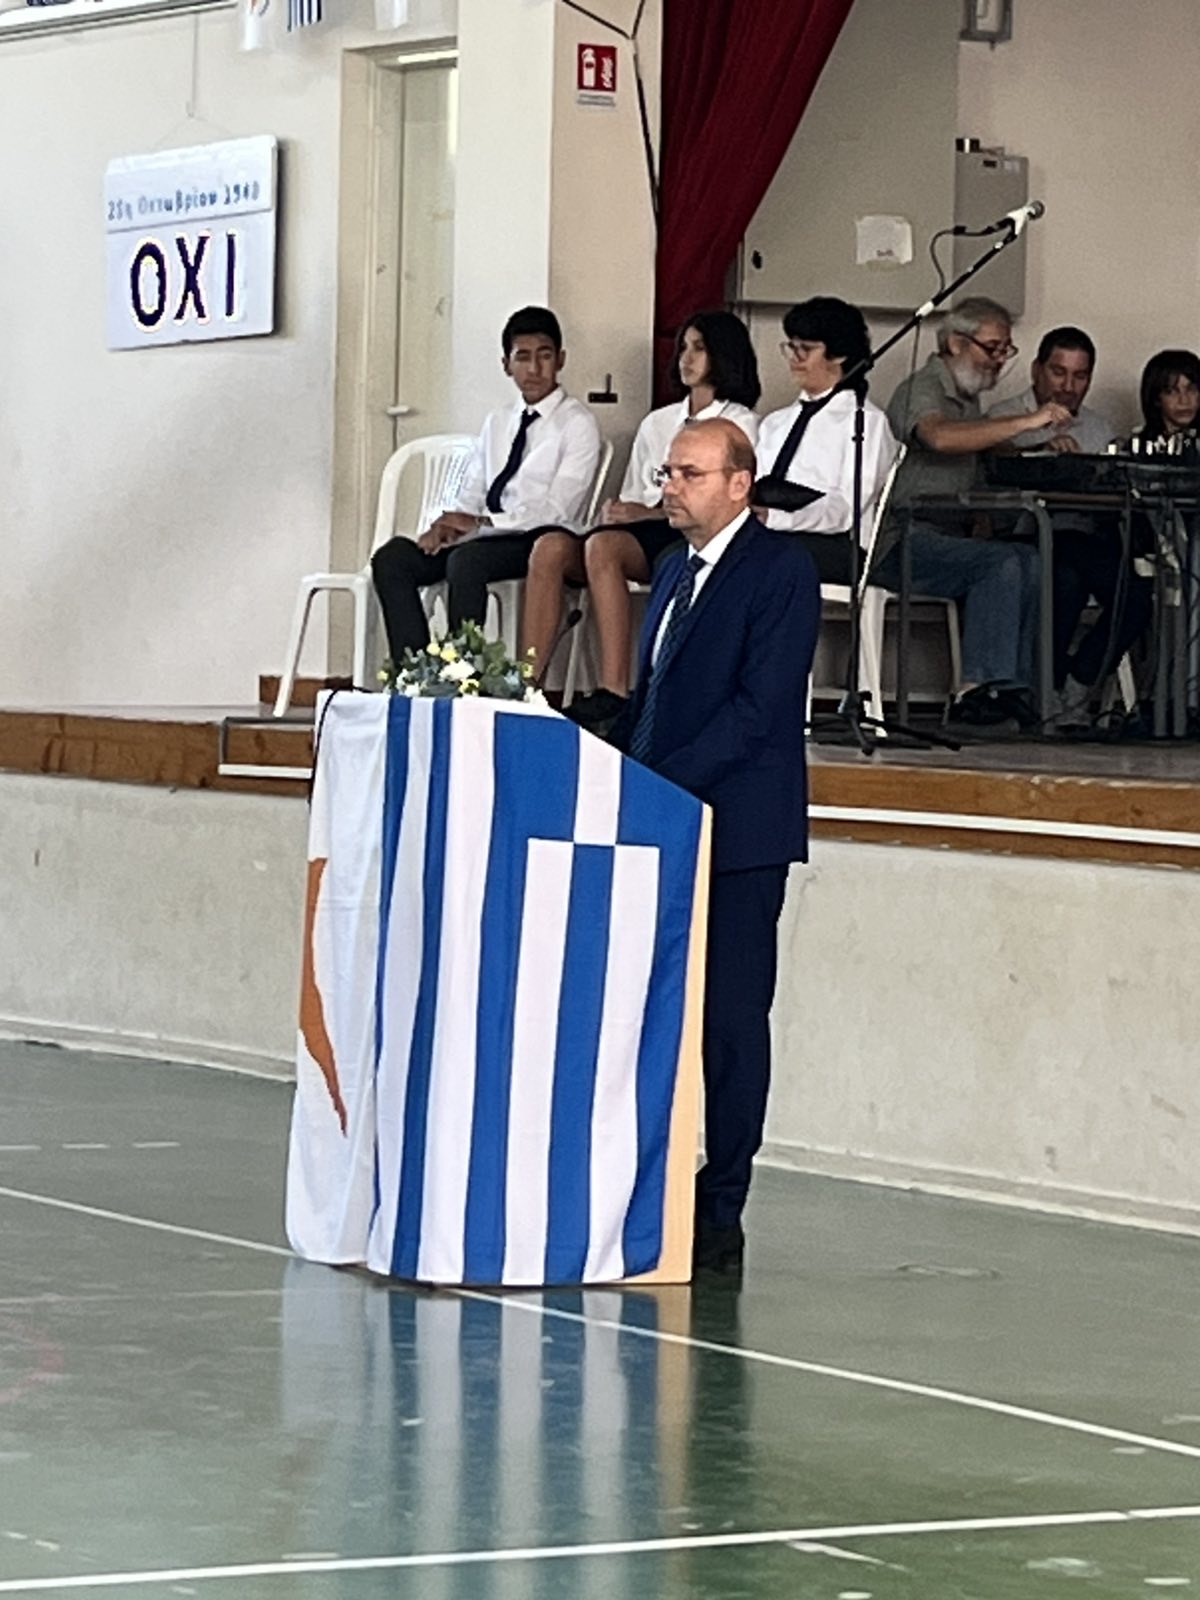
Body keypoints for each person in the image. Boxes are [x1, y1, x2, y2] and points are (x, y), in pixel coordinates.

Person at [608, 418, 820, 1277]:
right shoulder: (670, 569)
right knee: (653, 1013)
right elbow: (655, 693)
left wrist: (658, 782)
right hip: (663, 820)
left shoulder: (781, 571)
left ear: (740, 484)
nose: (671, 486)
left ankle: (722, 1201)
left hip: (738, 830)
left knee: (731, 1022)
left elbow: (759, 710)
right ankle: (650, 1180)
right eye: (668, 472)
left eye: (690, 474)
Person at [531, 310, 760, 731]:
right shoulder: (658, 422)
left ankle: (615, 689)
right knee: (560, 546)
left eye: (699, 348)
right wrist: (621, 511)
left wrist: (648, 513)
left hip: (693, 533)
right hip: (647, 528)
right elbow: (637, 490)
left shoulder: (740, 423)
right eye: (683, 348)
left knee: (603, 546)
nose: (686, 358)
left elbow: (723, 505)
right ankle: (534, 686)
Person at [875, 295, 1072, 727]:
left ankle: (1014, 687)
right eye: (993, 348)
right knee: (1000, 564)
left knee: (1030, 559)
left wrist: (1038, 445)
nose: (1000, 360)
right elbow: (940, 437)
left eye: (1005, 349)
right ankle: (976, 688)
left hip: (949, 536)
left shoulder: (968, 400)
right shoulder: (922, 389)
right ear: (956, 343)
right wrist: (1026, 421)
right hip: (901, 539)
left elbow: (976, 451)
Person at [371, 306, 601, 659]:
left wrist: (482, 523)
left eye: (544, 356)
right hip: (483, 536)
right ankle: (416, 673)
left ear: (561, 360)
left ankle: (464, 673)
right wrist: (446, 526)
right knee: (393, 558)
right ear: (506, 364)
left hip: (533, 539)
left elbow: (557, 511)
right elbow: (474, 489)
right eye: (522, 357)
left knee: (467, 561)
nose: (534, 369)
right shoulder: (498, 421)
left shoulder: (577, 424)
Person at [991, 327, 1150, 705]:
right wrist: (1044, 450)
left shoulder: (1099, 428)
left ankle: (1077, 680)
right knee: (1065, 580)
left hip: (1085, 538)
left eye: (1080, 376)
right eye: (1058, 372)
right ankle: (1053, 691)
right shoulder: (1003, 416)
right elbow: (993, 467)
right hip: (1023, 537)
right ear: (1036, 370)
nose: (1068, 386)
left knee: (1137, 595)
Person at [753, 296, 897, 584]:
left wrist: (778, 519)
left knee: (757, 558)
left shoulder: (866, 422)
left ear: (839, 355)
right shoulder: (774, 423)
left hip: (837, 545)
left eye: (805, 349)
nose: (794, 358)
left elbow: (846, 509)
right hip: (772, 531)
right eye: (791, 347)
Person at [1135, 349, 1200, 443]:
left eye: (1191, 389)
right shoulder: (1137, 446)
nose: (1184, 401)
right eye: (1172, 391)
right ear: (1156, 398)